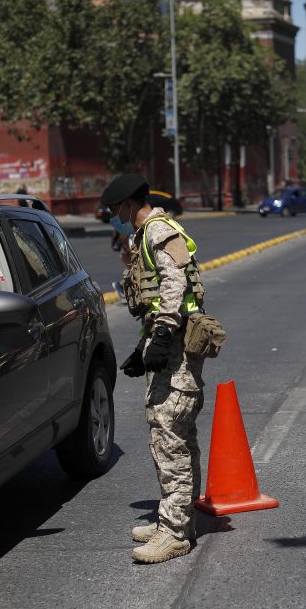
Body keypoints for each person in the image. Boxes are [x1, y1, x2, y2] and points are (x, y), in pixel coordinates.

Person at [104, 173, 206, 563]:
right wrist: (144, 343)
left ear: (130, 203)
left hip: (177, 346)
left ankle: (175, 532)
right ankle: (178, 517)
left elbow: (174, 281)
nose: (115, 216)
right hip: (170, 342)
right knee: (176, 434)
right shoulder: (146, 233)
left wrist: (162, 335)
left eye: (116, 210)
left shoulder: (157, 231)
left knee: (170, 436)